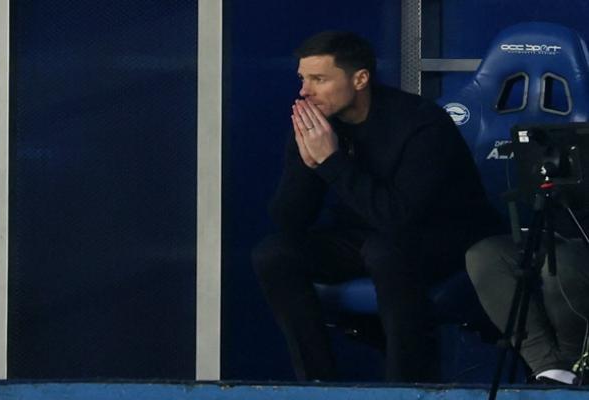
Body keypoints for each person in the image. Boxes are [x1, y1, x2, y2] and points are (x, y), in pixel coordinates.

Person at [251, 30, 503, 383]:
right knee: (274, 253)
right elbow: (288, 221)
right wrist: (307, 163)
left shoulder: (421, 123)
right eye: (303, 79)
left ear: (360, 79)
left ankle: (406, 385)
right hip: (369, 236)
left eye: (319, 79)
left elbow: (399, 217)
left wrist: (331, 163)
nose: (305, 91)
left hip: (443, 238)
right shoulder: (319, 125)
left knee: (385, 251)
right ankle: (318, 384)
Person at [466, 211, 589, 385]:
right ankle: (550, 369)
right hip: (557, 234)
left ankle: (576, 366)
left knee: (561, 263)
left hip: (578, 245)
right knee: (485, 254)